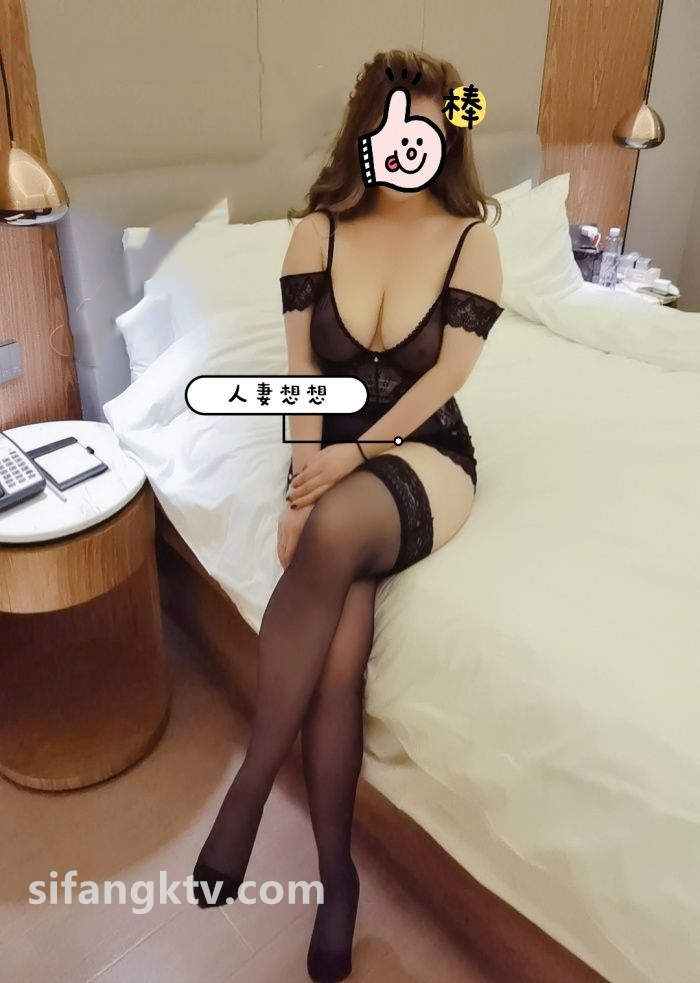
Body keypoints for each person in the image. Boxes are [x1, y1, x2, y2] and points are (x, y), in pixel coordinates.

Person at [193, 48, 504, 983]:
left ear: (448, 135)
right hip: (328, 457)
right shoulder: (316, 232)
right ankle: (338, 879)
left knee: (333, 535)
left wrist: (347, 466)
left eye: (428, 129)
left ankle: (250, 786)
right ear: (364, 131)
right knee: (340, 642)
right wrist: (304, 476)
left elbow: (444, 378)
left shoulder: (471, 237)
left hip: (425, 453)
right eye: (391, 127)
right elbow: (302, 375)